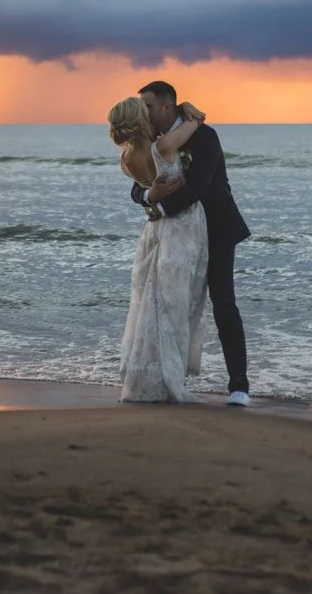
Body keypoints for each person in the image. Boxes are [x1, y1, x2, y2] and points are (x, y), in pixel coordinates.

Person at [132, 80, 253, 406]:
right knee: (170, 303)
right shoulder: (153, 141)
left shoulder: (204, 136)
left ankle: (239, 386)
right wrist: (148, 196)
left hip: (216, 229)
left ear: (167, 106)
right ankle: (167, 376)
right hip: (177, 235)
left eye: (149, 106)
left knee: (223, 303)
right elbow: (137, 186)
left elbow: (198, 186)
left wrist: (158, 207)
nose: (145, 113)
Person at [108, 95, 207, 402]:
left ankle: (151, 375)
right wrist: (189, 110)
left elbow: (145, 192)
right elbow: (195, 123)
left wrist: (151, 195)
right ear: (139, 119)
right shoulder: (162, 148)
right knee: (176, 303)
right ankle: (170, 379)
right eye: (145, 111)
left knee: (151, 304)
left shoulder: (126, 160)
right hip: (183, 227)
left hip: (154, 230)